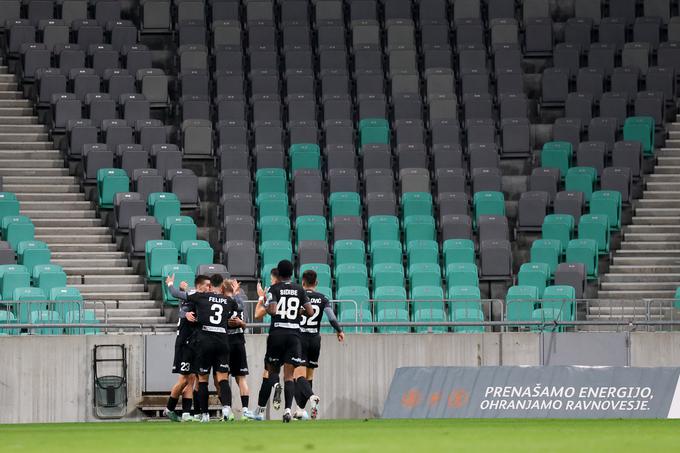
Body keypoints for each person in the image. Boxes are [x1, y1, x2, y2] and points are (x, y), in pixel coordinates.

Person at [253, 260, 313, 423]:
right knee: (289, 375)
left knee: (272, 371)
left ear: (279, 273)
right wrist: (298, 312)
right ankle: (287, 411)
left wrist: (267, 303)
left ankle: (275, 386)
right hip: (294, 335)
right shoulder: (300, 289)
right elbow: (310, 311)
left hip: (278, 333)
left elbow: (271, 310)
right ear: (292, 273)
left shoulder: (274, 289)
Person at [184, 276, 240, 423]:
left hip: (205, 341)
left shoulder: (201, 297)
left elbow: (180, 295)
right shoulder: (227, 300)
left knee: (202, 379)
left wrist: (181, 287)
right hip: (222, 341)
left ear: (210, 286)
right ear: (222, 286)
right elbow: (237, 308)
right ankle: (227, 409)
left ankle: (205, 415)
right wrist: (233, 293)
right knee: (222, 378)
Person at [293, 269, 345, 420]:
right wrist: (339, 330)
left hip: (300, 338)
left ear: (303, 282)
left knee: (298, 376)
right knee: (309, 376)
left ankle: (312, 397)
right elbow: (331, 317)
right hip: (315, 339)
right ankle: (300, 411)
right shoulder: (323, 298)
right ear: (316, 283)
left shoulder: (300, 296)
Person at [162, 274, 210, 422]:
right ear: (200, 286)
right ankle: (169, 409)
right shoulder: (194, 295)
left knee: (191, 378)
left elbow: (183, 305)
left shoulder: (199, 298)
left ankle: (186, 413)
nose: (209, 287)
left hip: (194, 343)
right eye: (207, 285)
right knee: (183, 379)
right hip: (184, 343)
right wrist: (170, 284)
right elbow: (182, 309)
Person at [220, 278, 256, 420]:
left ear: (222, 290)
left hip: (225, 343)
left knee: (222, 377)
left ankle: (227, 411)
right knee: (241, 378)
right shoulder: (240, 302)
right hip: (239, 343)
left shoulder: (222, 302)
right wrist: (241, 323)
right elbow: (245, 324)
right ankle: (246, 411)